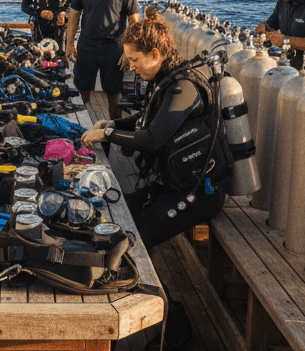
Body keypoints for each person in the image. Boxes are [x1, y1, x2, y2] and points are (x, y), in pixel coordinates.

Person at [80, 19, 230, 246]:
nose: (131, 67)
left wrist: (107, 135)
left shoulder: (183, 88)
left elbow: (153, 139)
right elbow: (145, 121)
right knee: (110, 210)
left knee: (132, 239)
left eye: (134, 60)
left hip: (198, 193)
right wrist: (112, 124)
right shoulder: (164, 79)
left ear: (155, 54)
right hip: (168, 183)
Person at [65, 0, 139, 119]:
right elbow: (74, 15)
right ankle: (82, 118)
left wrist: (128, 52)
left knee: (113, 90)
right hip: (87, 44)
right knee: (82, 85)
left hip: (113, 46)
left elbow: (134, 21)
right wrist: (69, 44)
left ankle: (114, 125)